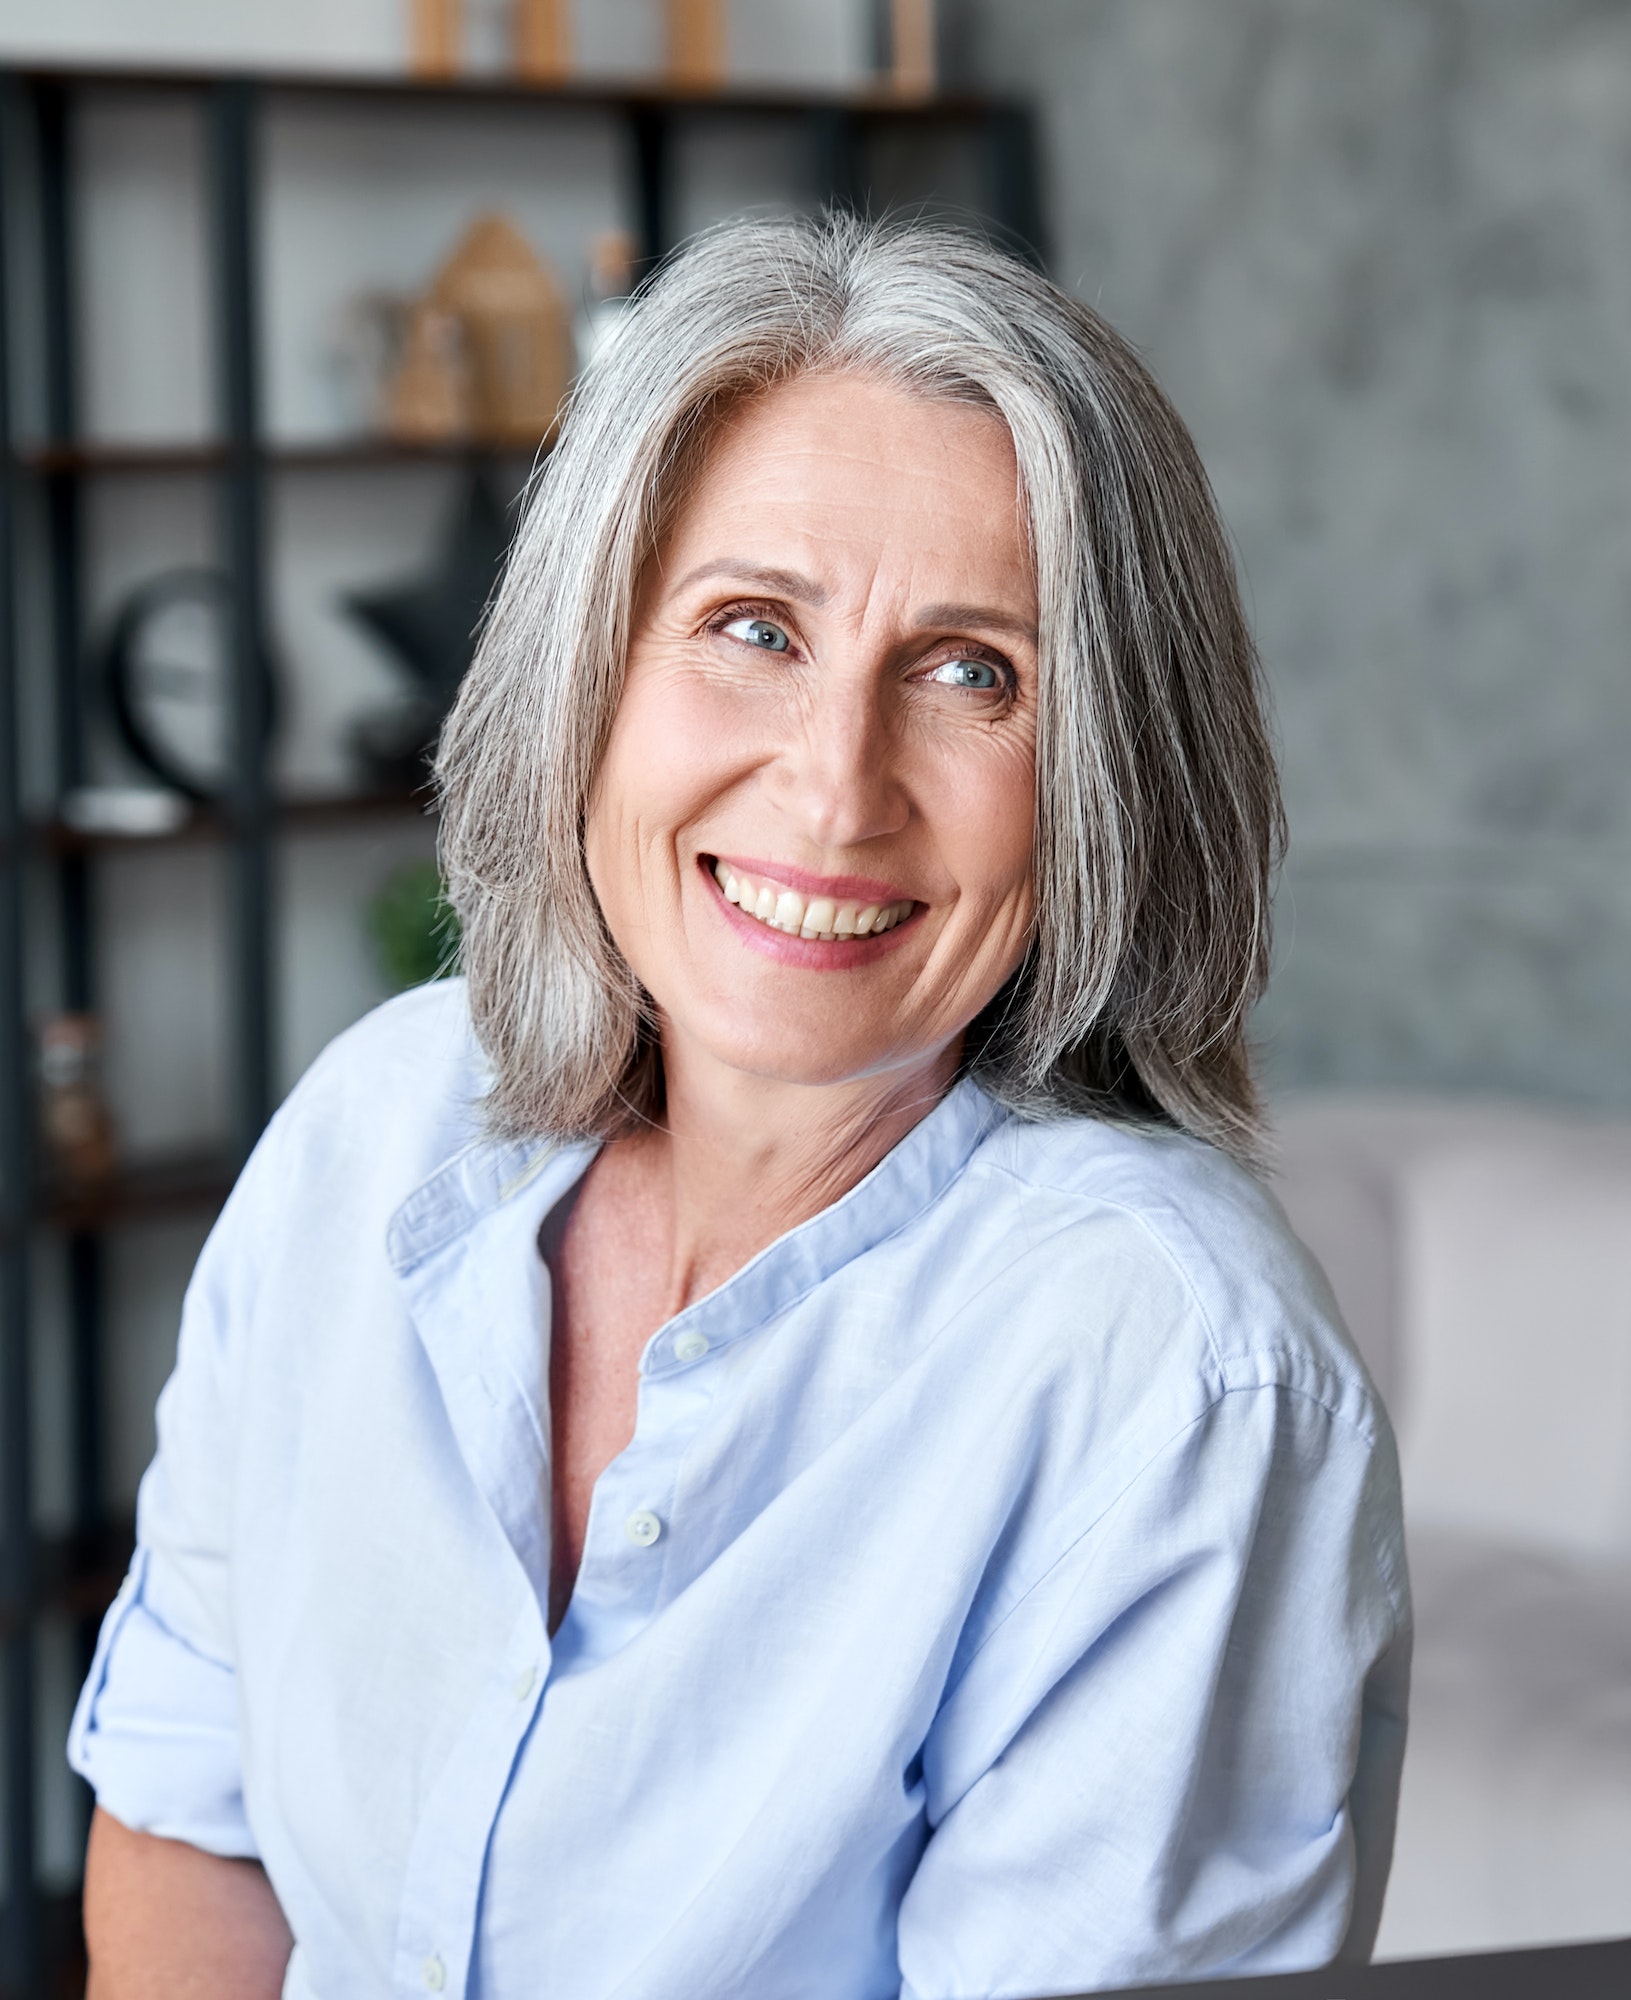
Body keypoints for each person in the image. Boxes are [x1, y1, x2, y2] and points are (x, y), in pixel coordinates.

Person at [72, 215, 1408, 2000]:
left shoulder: (1173, 1377)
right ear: (592, 679)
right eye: (753, 628)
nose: (835, 789)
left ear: (1102, 784)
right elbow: (187, 1821)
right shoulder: (375, 1122)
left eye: (973, 672)